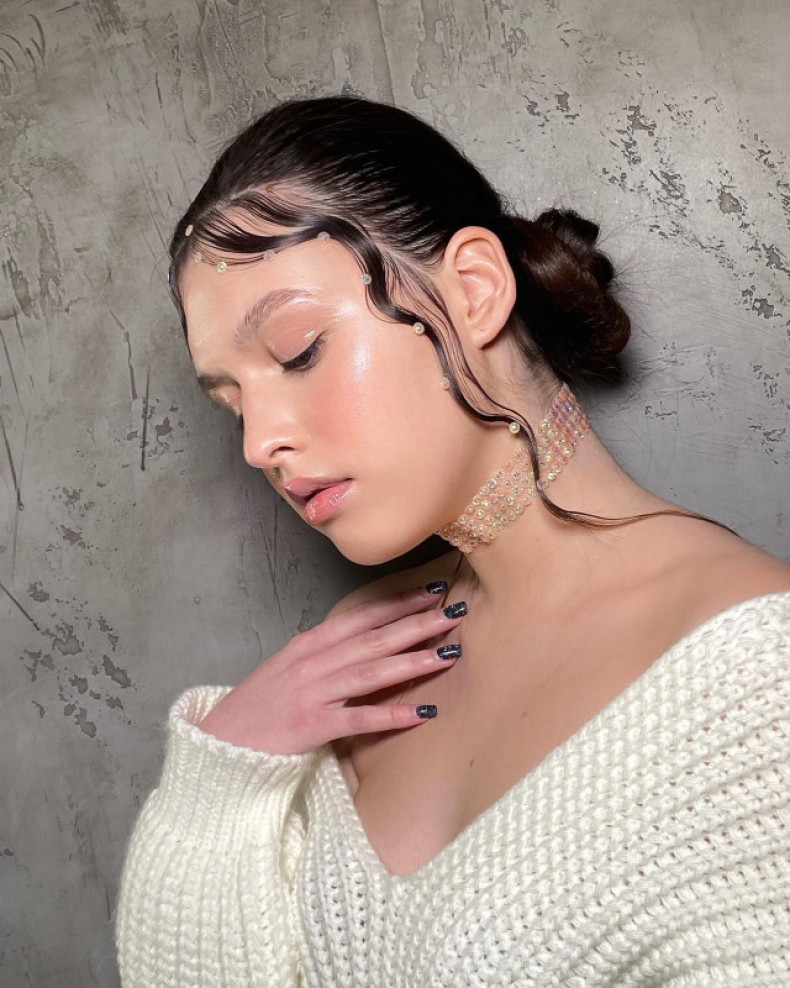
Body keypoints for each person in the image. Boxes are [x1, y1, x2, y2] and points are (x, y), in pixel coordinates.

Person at [115, 96, 790, 986]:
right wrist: (222, 776)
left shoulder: (756, 679)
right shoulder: (365, 649)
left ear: (473, 290)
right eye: (231, 402)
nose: (259, 442)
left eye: (299, 350)